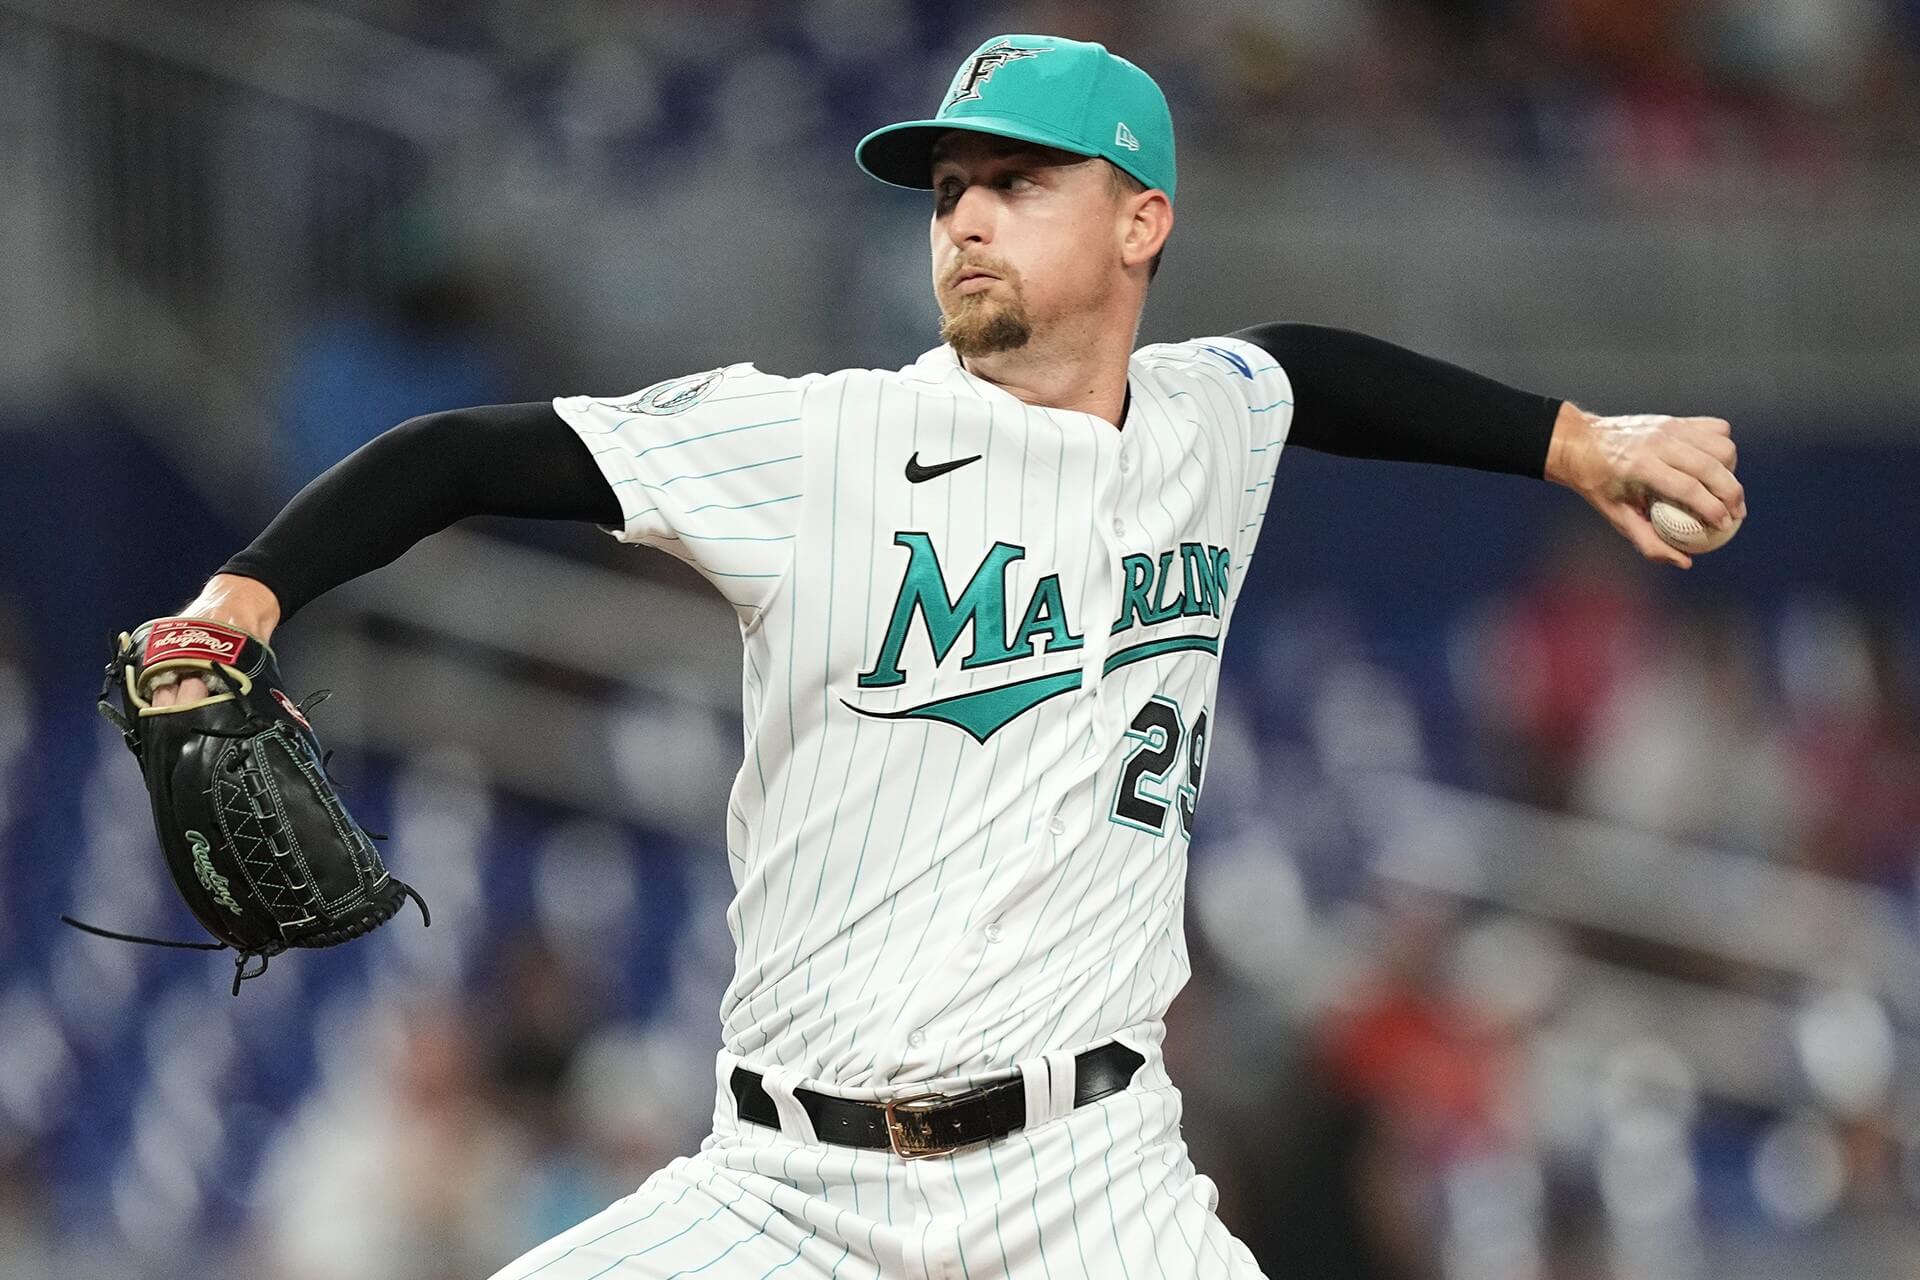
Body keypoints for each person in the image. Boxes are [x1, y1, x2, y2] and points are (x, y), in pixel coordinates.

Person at [152, 34, 1742, 1280]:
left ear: (1142, 221)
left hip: (1092, 1182)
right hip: (785, 1195)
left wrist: (1585, 446)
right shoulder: (823, 439)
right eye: (946, 190)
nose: (967, 216)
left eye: (1018, 180)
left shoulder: (1207, 420)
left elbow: (1311, 373)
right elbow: (457, 453)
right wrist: (246, 599)